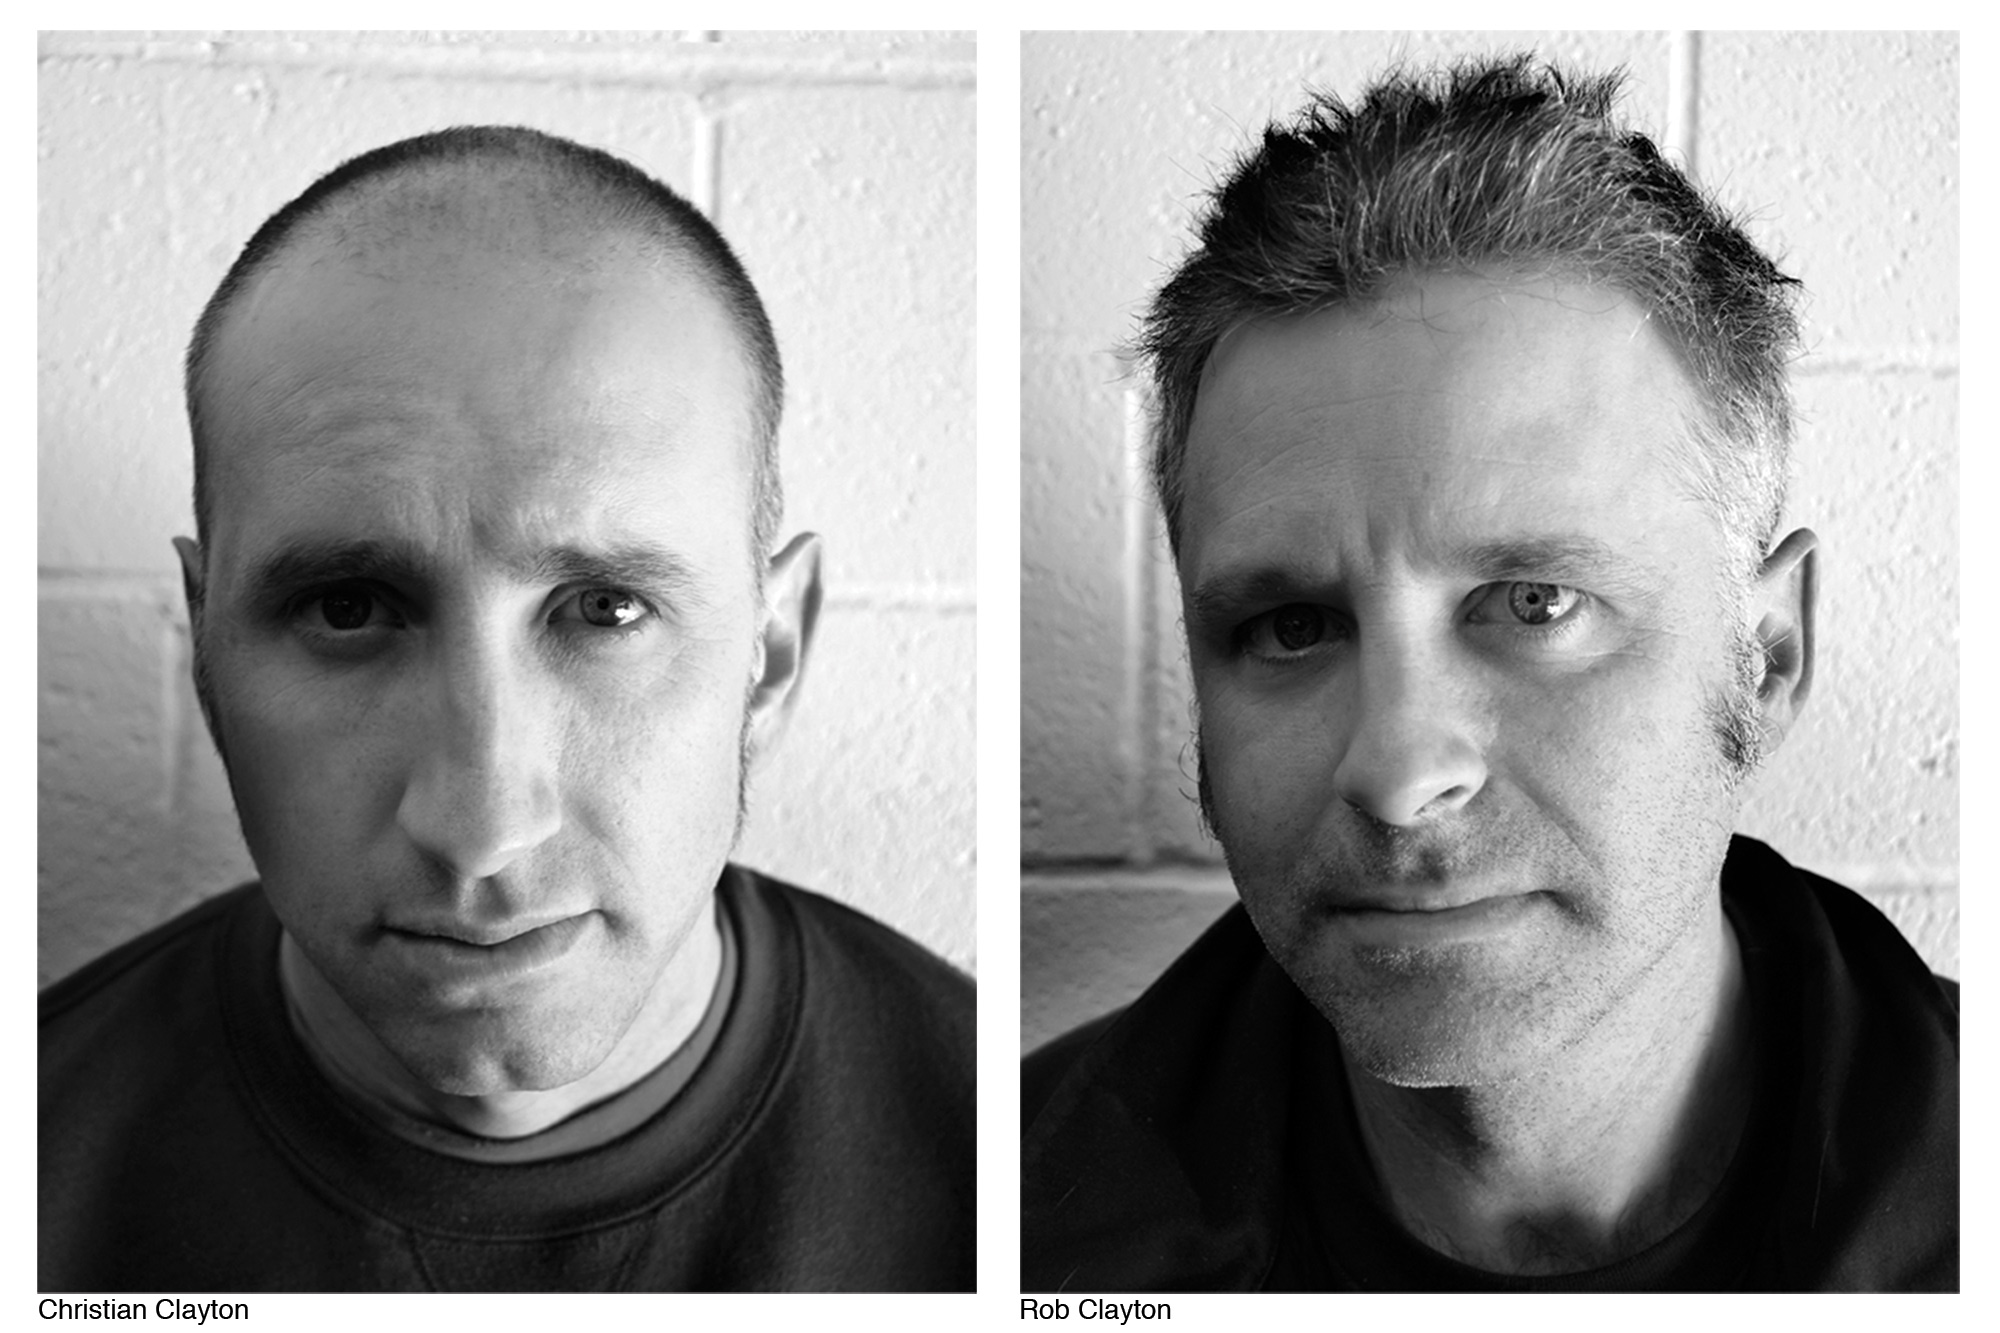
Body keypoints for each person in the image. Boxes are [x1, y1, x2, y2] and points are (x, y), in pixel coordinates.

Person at [1021, 55, 1957, 1293]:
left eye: (1533, 603)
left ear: (1766, 655)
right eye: (1292, 627)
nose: (1399, 772)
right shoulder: (999, 1228)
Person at [41, 126, 974, 1293]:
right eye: (346, 608)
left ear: (770, 650)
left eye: (607, 611)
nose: (481, 830)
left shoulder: (1006, 1179)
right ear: (204, 646)